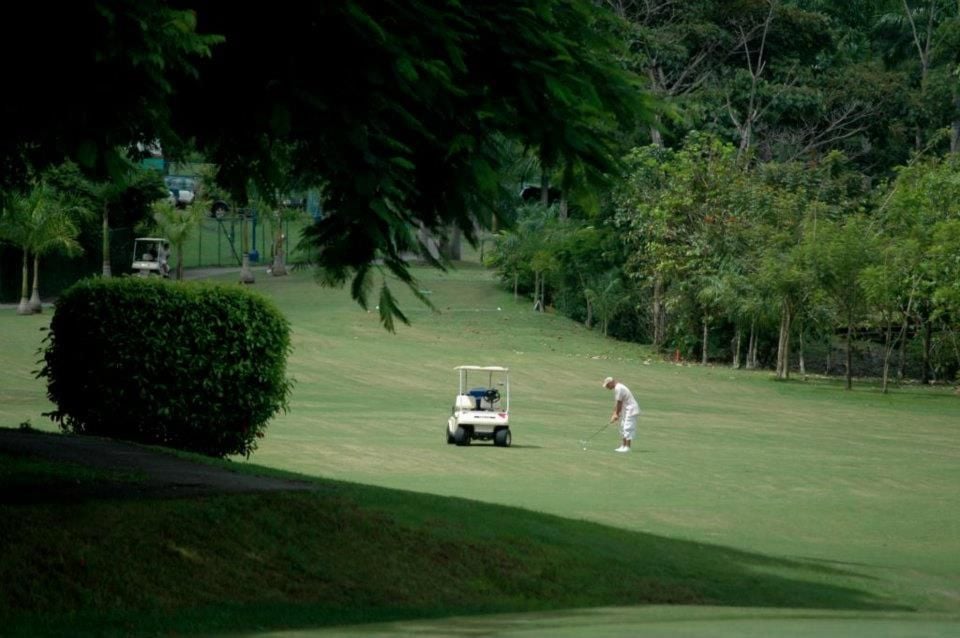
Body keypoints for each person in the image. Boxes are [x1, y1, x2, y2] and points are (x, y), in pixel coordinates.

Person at [602, 376, 640, 453]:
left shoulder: (619, 388)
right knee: (622, 427)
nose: (607, 387)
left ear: (611, 382)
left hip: (631, 409)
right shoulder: (617, 388)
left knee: (627, 427)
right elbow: (618, 403)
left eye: (607, 385)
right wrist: (614, 414)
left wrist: (616, 414)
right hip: (626, 410)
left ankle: (627, 447)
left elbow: (619, 403)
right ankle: (623, 446)